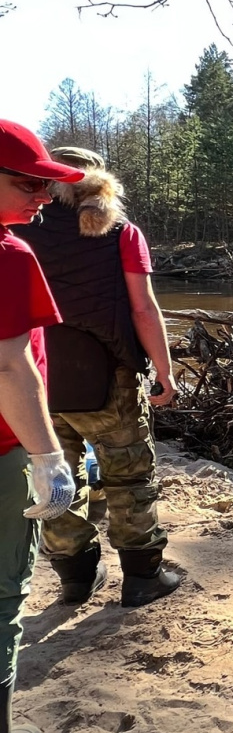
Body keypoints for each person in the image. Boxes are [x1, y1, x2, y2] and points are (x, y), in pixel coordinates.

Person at [12, 147, 181, 608]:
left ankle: (75, 578)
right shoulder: (119, 231)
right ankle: (143, 578)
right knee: (128, 476)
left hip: (36, 376)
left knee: (53, 477)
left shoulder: (19, 227)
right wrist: (164, 371)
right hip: (108, 375)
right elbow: (143, 308)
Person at [0, 124, 81, 733]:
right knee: (4, 594)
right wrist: (49, 459)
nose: (44, 195)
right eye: (29, 182)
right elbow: (10, 367)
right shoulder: (9, 255)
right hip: (3, 449)